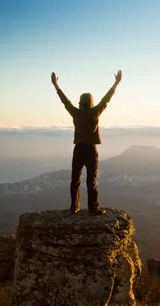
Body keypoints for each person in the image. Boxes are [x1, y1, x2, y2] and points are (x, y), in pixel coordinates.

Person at [51, 70, 122, 215]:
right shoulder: (96, 112)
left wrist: (56, 86)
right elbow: (106, 99)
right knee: (91, 181)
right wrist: (116, 83)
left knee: (75, 180)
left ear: (80, 102)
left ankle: (74, 207)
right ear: (91, 102)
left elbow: (65, 101)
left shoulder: (75, 113)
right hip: (90, 150)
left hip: (78, 150)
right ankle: (93, 208)